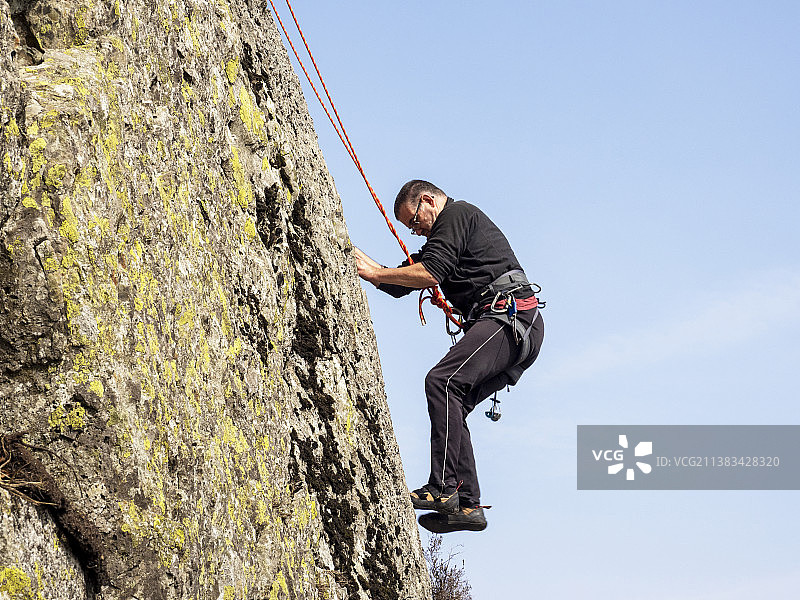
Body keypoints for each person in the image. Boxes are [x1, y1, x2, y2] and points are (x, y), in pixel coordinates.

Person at [354, 180, 544, 533]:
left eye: (414, 222)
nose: (416, 232)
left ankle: (442, 488)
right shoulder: (445, 237)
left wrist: (378, 273)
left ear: (427, 201)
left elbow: (430, 273)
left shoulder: (455, 215)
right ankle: (467, 504)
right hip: (517, 325)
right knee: (454, 401)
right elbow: (405, 280)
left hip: (509, 317)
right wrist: (373, 272)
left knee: (441, 382)